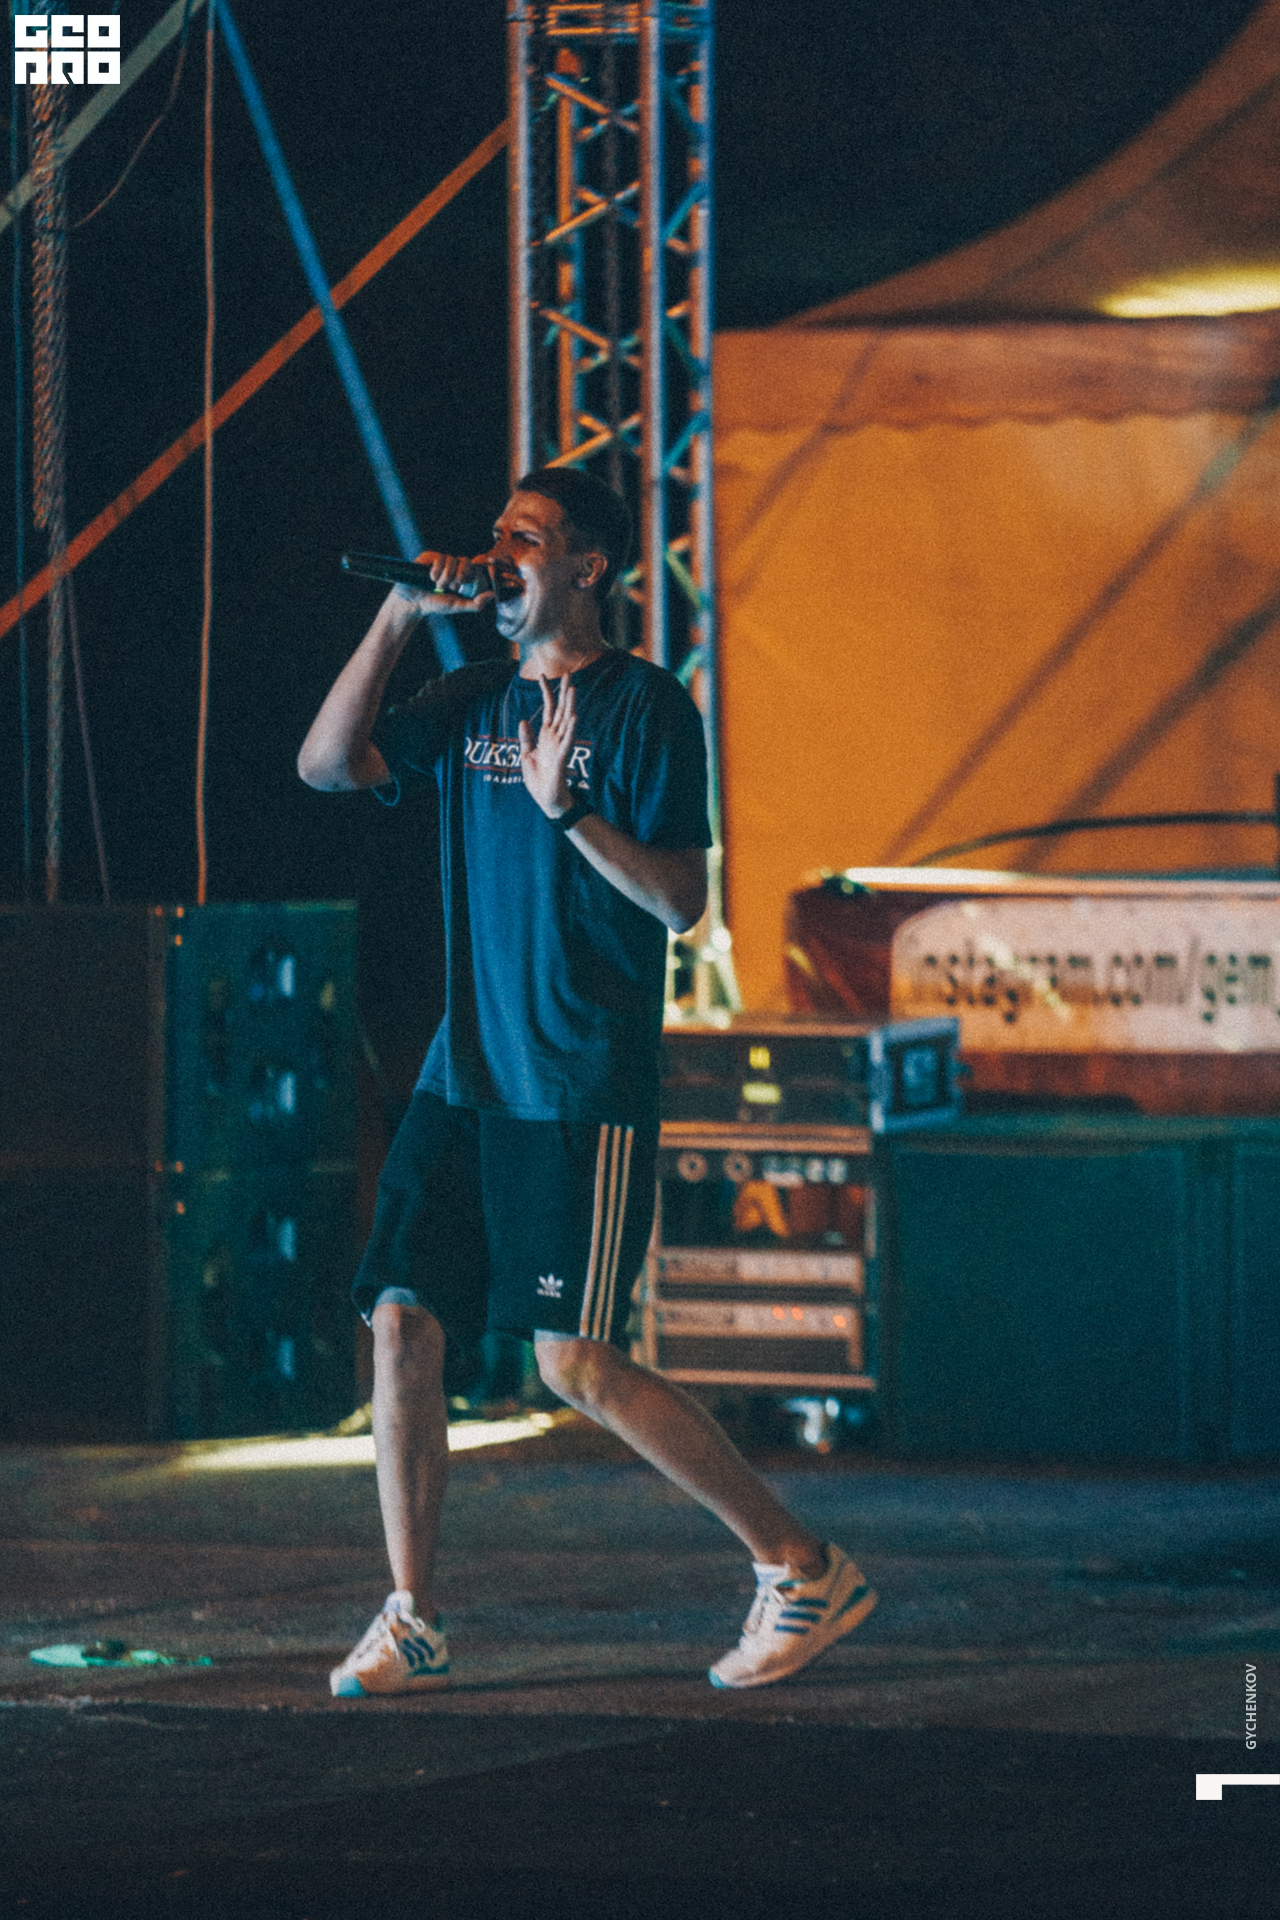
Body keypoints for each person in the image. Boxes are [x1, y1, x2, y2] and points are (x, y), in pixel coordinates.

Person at [297, 466, 877, 1695]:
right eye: (496, 532)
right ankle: (412, 1614)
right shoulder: (472, 697)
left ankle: (800, 1563)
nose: (498, 551)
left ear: (586, 566)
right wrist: (398, 617)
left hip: (573, 1081)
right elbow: (326, 765)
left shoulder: (644, 706)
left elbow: (678, 902)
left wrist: (568, 814)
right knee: (400, 1317)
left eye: (526, 537)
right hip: (466, 1073)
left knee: (574, 1365)